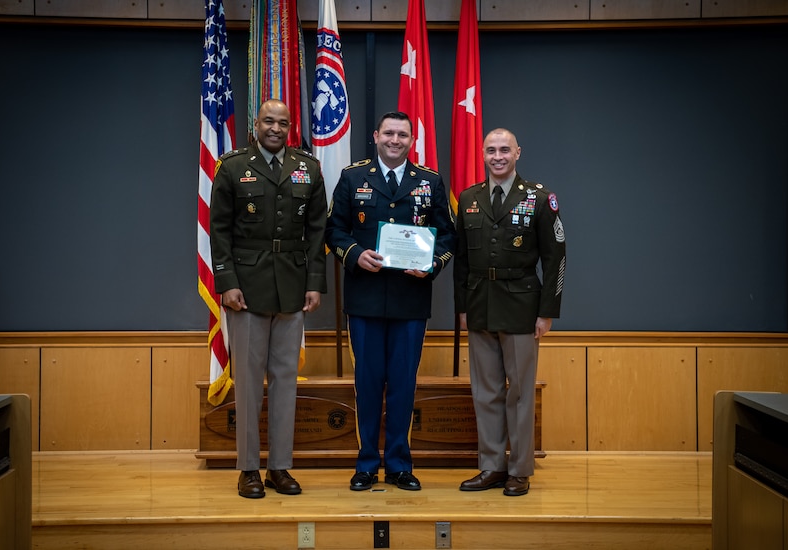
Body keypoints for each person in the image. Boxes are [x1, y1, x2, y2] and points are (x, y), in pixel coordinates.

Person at [325, 111, 456, 492]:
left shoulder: (429, 181)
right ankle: (366, 463)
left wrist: (432, 264)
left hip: (410, 300)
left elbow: (448, 236)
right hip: (364, 299)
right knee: (367, 384)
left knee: (403, 384)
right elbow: (334, 228)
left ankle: (400, 464)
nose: (395, 140)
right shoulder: (353, 176)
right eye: (389, 133)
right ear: (376, 136)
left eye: (403, 134)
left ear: (412, 140)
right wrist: (353, 254)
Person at [210, 99, 327, 499]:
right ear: (255, 124)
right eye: (268, 121)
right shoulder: (232, 165)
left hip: (292, 287)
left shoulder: (307, 167)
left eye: (283, 123)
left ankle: (279, 466)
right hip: (246, 287)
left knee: (285, 382)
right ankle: (248, 469)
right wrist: (226, 282)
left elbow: (316, 231)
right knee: (247, 384)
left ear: (290, 126)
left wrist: (315, 282)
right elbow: (219, 230)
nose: (275, 128)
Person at [453, 128, 566, 497]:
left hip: (522, 304)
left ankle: (519, 469)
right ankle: (491, 467)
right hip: (480, 303)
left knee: (518, 393)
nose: (498, 156)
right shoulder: (469, 198)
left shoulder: (538, 197)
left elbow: (556, 259)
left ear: (518, 152)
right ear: (482, 154)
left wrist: (547, 311)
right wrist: (462, 308)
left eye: (505, 149)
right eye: (491, 150)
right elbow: (461, 262)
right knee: (485, 392)